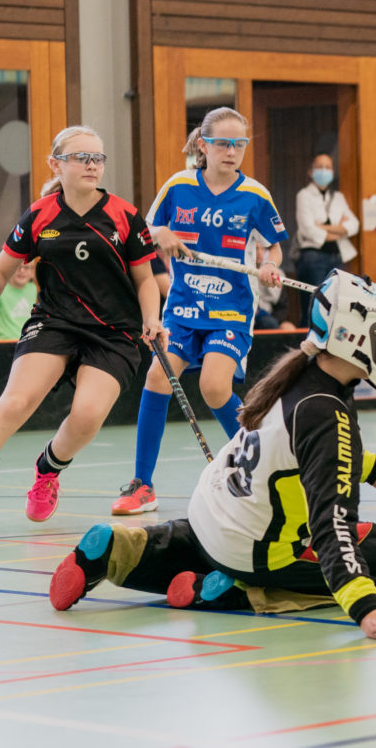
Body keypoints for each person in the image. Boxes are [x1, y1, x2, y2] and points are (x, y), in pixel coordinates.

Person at [49, 271, 376, 643]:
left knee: (226, 538)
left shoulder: (298, 375)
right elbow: (332, 525)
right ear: (352, 337)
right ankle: (235, 592)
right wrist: (365, 608)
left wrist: (372, 467)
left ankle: (122, 548)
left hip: (207, 515)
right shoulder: (328, 415)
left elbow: (302, 450)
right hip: (250, 551)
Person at [0, 126, 163, 524]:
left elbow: (146, 279)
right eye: (81, 157)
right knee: (16, 402)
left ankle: (48, 468)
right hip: (54, 323)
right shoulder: (40, 215)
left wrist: (152, 317)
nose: (91, 165)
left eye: (97, 158)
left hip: (114, 333)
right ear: (56, 164)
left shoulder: (125, 215)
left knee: (87, 415)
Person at [124, 107, 287, 516]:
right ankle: (142, 485)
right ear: (204, 145)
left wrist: (269, 264)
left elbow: (273, 244)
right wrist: (158, 233)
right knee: (158, 377)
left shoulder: (255, 195)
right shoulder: (178, 186)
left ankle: (262, 463)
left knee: (215, 387)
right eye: (222, 144)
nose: (231, 152)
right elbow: (143, 233)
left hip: (231, 310)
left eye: (239, 145)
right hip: (181, 307)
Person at [294, 152, 359, 320]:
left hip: (336, 257)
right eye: (320, 167)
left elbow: (354, 225)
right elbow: (308, 229)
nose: (324, 171)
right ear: (311, 172)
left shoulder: (338, 197)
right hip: (313, 256)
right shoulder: (304, 195)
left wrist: (323, 226)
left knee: (337, 306)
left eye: (328, 167)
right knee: (315, 305)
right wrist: (339, 229)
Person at [0, 261, 37, 339]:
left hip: (27, 343)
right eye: (18, 267)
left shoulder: (33, 289)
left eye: (26, 267)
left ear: (32, 272)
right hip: (5, 343)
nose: (22, 271)